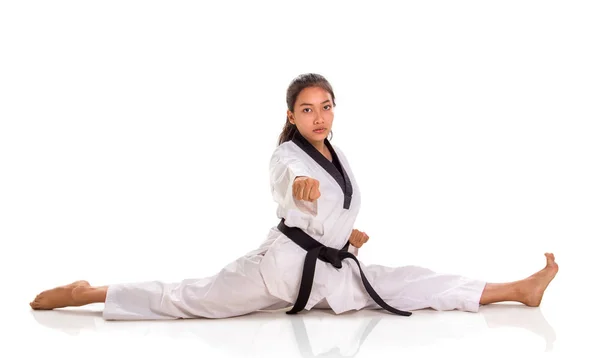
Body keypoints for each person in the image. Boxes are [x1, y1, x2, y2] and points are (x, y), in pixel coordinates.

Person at [29, 73, 559, 320]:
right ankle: (90, 291)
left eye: (326, 106)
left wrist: (345, 235)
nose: (319, 115)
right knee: (188, 299)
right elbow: (290, 186)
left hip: (329, 268)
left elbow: (329, 212)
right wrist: (299, 191)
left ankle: (517, 289)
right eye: (308, 109)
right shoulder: (288, 158)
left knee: (410, 280)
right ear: (291, 115)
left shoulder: (338, 154)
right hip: (274, 269)